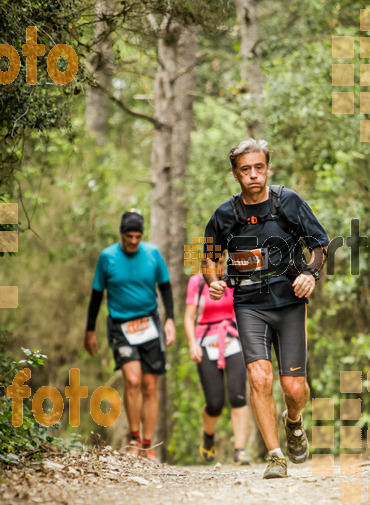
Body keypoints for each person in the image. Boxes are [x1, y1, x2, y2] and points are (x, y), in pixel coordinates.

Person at [201, 139, 329, 479]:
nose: (253, 175)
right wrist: (213, 280)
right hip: (249, 304)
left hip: (288, 303)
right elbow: (210, 259)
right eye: (245, 170)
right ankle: (275, 456)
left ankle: (293, 421)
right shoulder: (224, 215)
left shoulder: (289, 202)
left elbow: (319, 245)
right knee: (259, 377)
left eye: (259, 168)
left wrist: (310, 273)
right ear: (235, 174)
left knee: (294, 389)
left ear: (268, 168)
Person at [84, 210, 175, 462]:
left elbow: (166, 288)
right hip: (121, 326)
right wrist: (89, 330)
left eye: (137, 236)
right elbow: (95, 295)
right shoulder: (107, 257)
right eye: (128, 236)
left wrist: (170, 321)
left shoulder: (153, 254)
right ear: (121, 234)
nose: (133, 241)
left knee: (150, 386)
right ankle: (134, 438)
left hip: (149, 325)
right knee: (132, 380)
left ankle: (148, 444)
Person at [184, 266, 251, 465]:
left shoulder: (234, 279)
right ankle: (208, 435)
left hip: (233, 339)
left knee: (238, 395)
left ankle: (240, 450)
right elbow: (189, 317)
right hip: (205, 341)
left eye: (220, 259)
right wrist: (192, 343)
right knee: (215, 403)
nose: (217, 264)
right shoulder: (196, 282)